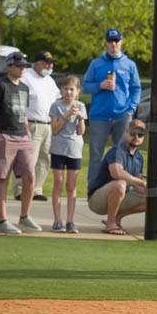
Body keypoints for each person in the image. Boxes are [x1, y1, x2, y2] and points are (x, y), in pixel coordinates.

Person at [0, 51, 40, 234]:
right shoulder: (0, 86)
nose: (22, 68)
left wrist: (28, 137)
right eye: (19, 65)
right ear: (9, 66)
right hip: (4, 136)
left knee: (30, 176)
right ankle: (2, 220)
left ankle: (25, 216)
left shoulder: (24, 87)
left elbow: (23, 114)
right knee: (3, 177)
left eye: (24, 66)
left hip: (22, 137)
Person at [83, 28, 142, 188]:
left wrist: (131, 109)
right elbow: (85, 87)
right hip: (99, 116)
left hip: (122, 115)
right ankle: (93, 188)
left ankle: (123, 186)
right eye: (110, 41)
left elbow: (136, 88)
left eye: (116, 40)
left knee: (122, 152)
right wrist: (100, 85)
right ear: (106, 43)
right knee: (96, 154)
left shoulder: (129, 65)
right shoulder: (96, 63)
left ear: (121, 42)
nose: (113, 44)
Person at [12, 51, 60, 202]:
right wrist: (22, 122)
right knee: (26, 159)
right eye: (46, 62)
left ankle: (36, 189)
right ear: (37, 62)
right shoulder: (26, 77)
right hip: (31, 124)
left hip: (48, 125)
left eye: (51, 63)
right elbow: (19, 101)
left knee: (44, 159)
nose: (49, 65)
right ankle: (21, 189)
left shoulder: (50, 81)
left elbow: (58, 100)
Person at [87, 118, 147, 235]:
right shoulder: (117, 150)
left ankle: (117, 217)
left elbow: (137, 185)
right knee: (120, 184)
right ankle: (110, 224)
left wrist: (149, 189)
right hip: (97, 201)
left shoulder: (139, 157)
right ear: (126, 132)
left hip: (121, 195)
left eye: (140, 134)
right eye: (133, 133)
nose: (136, 137)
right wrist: (139, 182)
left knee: (154, 197)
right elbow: (117, 173)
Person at [48, 75, 87, 233]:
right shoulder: (56, 106)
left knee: (71, 185)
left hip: (74, 149)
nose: (69, 92)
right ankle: (58, 220)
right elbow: (55, 129)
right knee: (58, 182)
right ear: (61, 91)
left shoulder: (81, 106)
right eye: (66, 89)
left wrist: (80, 119)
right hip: (58, 148)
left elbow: (81, 132)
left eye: (72, 89)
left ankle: (70, 221)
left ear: (78, 91)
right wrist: (66, 115)